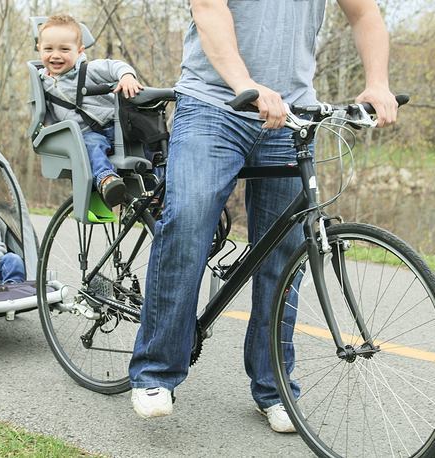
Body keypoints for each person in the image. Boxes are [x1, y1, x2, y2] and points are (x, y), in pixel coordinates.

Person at [128, 0, 398, 433]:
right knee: (187, 224)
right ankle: (155, 372)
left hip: (292, 113)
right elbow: (209, 9)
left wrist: (377, 83)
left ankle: (273, 388)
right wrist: (245, 83)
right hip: (215, 105)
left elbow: (364, 13)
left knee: (286, 254)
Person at [36, 14, 144, 207]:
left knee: (150, 149)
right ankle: (107, 181)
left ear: (79, 51)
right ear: (39, 49)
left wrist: (126, 76)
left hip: (117, 127)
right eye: (48, 49)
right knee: (92, 145)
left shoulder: (89, 70)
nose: (55, 55)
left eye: (64, 49)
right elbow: (47, 115)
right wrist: (47, 129)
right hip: (87, 135)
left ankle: (157, 194)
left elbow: (115, 66)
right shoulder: (43, 84)